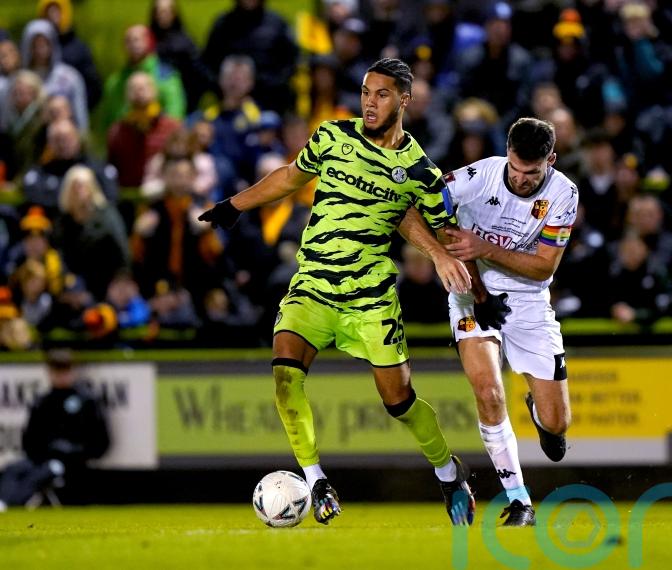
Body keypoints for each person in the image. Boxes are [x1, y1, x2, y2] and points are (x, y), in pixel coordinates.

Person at [199, 58, 476, 526]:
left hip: (370, 296)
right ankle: (316, 479)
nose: (369, 102)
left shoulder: (420, 170)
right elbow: (290, 176)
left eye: (381, 94)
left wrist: (453, 266)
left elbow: (437, 230)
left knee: (399, 403)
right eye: (366, 92)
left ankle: (449, 472)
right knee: (285, 372)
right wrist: (234, 205)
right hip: (313, 284)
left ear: (404, 100)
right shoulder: (332, 136)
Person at [441, 117, 579, 526]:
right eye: (515, 169)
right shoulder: (477, 177)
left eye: (530, 173)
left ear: (550, 161)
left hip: (529, 300)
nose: (519, 179)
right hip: (470, 289)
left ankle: (541, 409)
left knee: (557, 424)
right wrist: (453, 259)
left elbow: (542, 268)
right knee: (488, 391)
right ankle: (519, 500)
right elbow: (424, 204)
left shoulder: (564, 193)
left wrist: (483, 246)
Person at [0, 349, 110, 510]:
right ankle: (2, 501)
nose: (61, 376)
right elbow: (30, 438)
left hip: (72, 463)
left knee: (45, 472)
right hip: (41, 458)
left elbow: (101, 441)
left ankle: (12, 504)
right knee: (12, 469)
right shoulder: (43, 401)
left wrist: (71, 451)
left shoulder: (87, 401)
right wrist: (40, 451)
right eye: (57, 371)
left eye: (64, 370)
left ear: (72, 371)